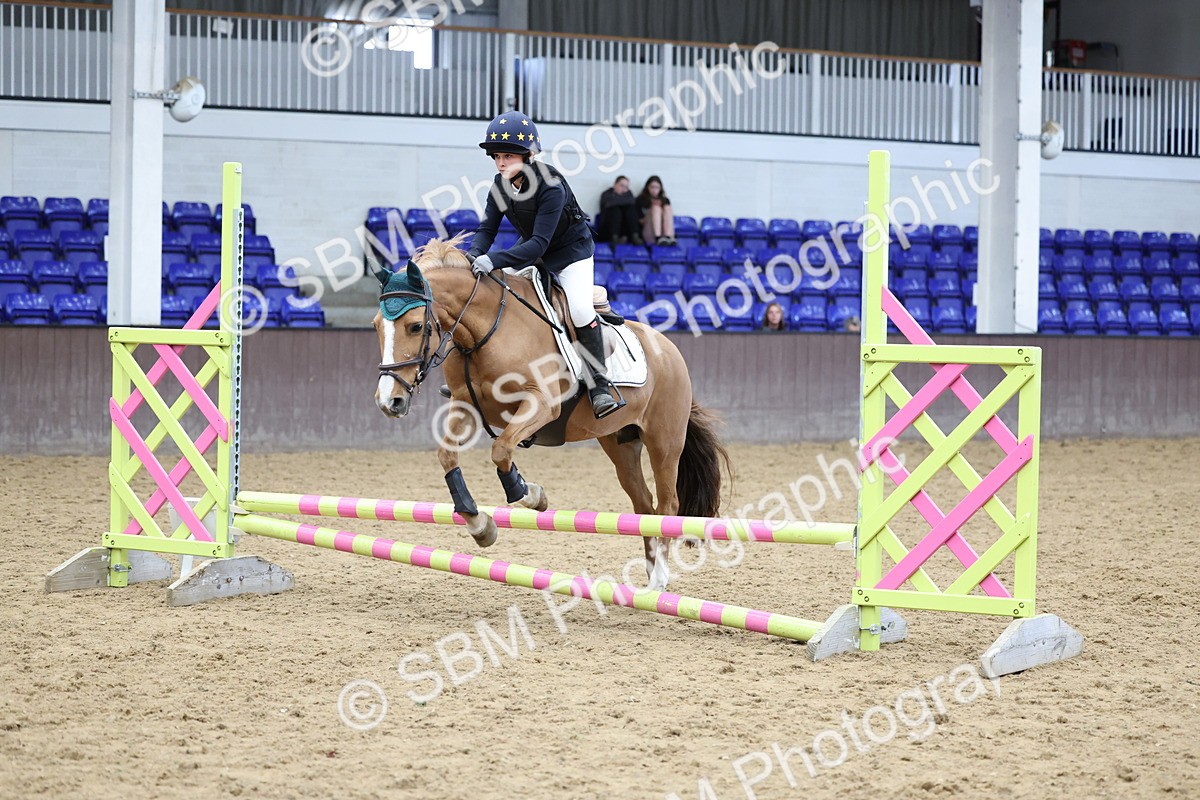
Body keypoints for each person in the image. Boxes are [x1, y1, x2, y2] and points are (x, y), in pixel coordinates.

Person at [465, 110, 621, 419]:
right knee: (495, 292)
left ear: (527, 155)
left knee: (578, 309)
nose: (501, 163)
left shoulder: (550, 185)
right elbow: (486, 230)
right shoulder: (500, 185)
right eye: (497, 156)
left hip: (570, 254)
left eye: (508, 155)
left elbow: (539, 243)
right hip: (535, 253)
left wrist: (493, 259)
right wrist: (473, 254)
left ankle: (599, 385)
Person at [597, 176, 642, 246]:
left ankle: (635, 236)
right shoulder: (606, 194)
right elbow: (609, 204)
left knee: (630, 210)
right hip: (608, 228)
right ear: (615, 184)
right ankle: (614, 237)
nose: (624, 189)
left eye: (626, 187)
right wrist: (624, 201)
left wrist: (618, 201)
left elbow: (632, 203)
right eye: (621, 186)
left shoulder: (629, 194)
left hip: (624, 228)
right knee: (615, 210)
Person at [636, 175, 675, 246]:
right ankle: (658, 237)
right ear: (647, 187)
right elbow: (639, 220)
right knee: (656, 208)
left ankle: (668, 236)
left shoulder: (665, 200)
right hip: (649, 230)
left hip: (664, 230)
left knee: (667, 207)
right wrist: (652, 212)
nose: (654, 190)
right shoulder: (640, 200)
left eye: (657, 188)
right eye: (652, 187)